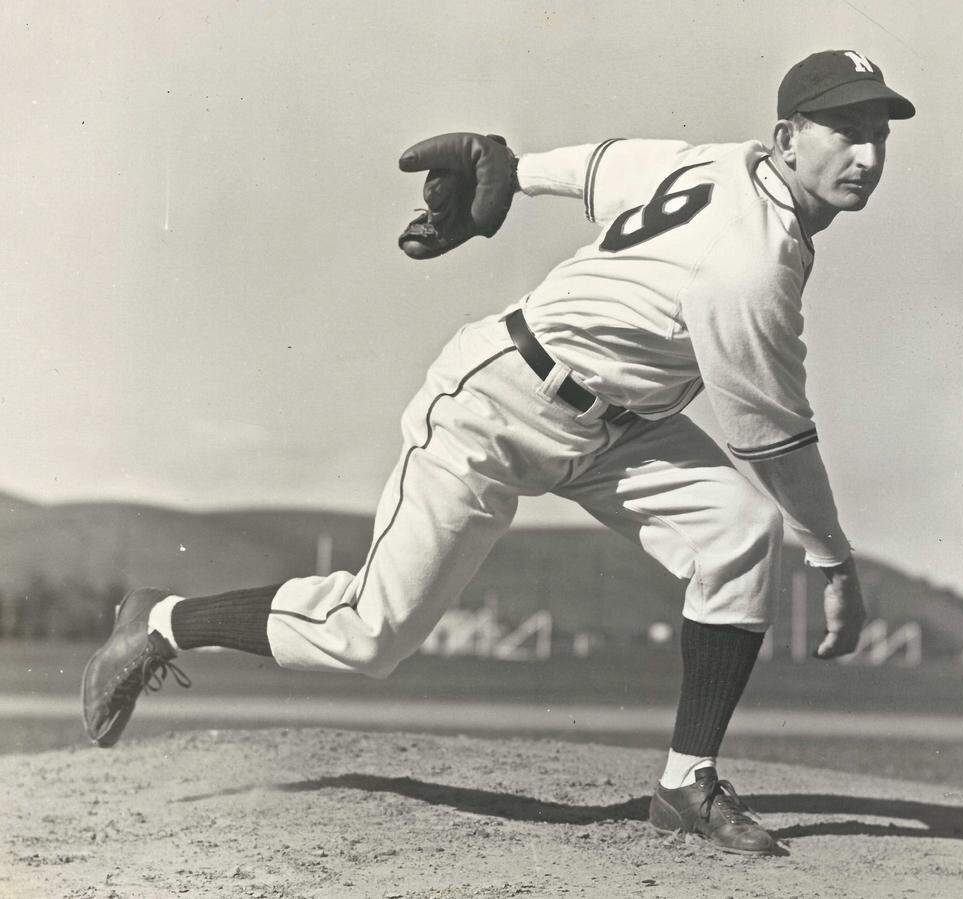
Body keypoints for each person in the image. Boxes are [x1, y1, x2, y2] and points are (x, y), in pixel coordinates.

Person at [83, 49, 914, 855]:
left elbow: (603, 165)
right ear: (784, 138)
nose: (866, 153)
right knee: (369, 633)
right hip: (499, 400)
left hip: (621, 428)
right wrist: (835, 565)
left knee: (737, 530)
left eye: (878, 131)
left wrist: (512, 170)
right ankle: (159, 621)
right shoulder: (753, 263)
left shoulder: (716, 163)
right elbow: (775, 437)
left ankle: (686, 782)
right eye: (843, 128)